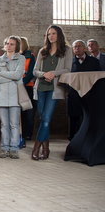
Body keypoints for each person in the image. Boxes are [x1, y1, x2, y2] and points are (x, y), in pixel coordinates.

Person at [31, 25, 73, 161]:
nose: (51, 36)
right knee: (42, 119)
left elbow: (67, 69)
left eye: (53, 33)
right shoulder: (43, 51)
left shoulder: (66, 50)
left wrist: (53, 73)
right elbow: (35, 71)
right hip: (41, 88)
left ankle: (36, 148)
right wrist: (44, 74)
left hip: (54, 90)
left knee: (46, 119)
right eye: (49, 34)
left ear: (59, 35)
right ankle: (46, 148)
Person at [0, 36, 26, 159]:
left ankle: (14, 149)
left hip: (15, 95)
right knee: (4, 124)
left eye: (12, 44)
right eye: (7, 43)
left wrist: (2, 74)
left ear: (17, 46)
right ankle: (5, 148)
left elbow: (18, 74)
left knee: (14, 124)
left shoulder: (21, 58)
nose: (9, 46)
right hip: (1, 96)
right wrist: (10, 79)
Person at [67, 40, 101, 140]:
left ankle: (89, 137)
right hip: (74, 94)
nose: (77, 48)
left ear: (84, 48)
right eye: (75, 47)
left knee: (88, 117)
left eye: (79, 46)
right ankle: (72, 138)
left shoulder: (94, 61)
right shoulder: (69, 63)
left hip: (90, 95)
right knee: (73, 117)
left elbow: (98, 77)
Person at [20, 37, 36, 141]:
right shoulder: (14, 56)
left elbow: (31, 72)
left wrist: (22, 82)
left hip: (27, 86)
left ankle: (28, 133)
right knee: (19, 112)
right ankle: (20, 132)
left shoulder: (31, 56)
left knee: (28, 111)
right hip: (16, 87)